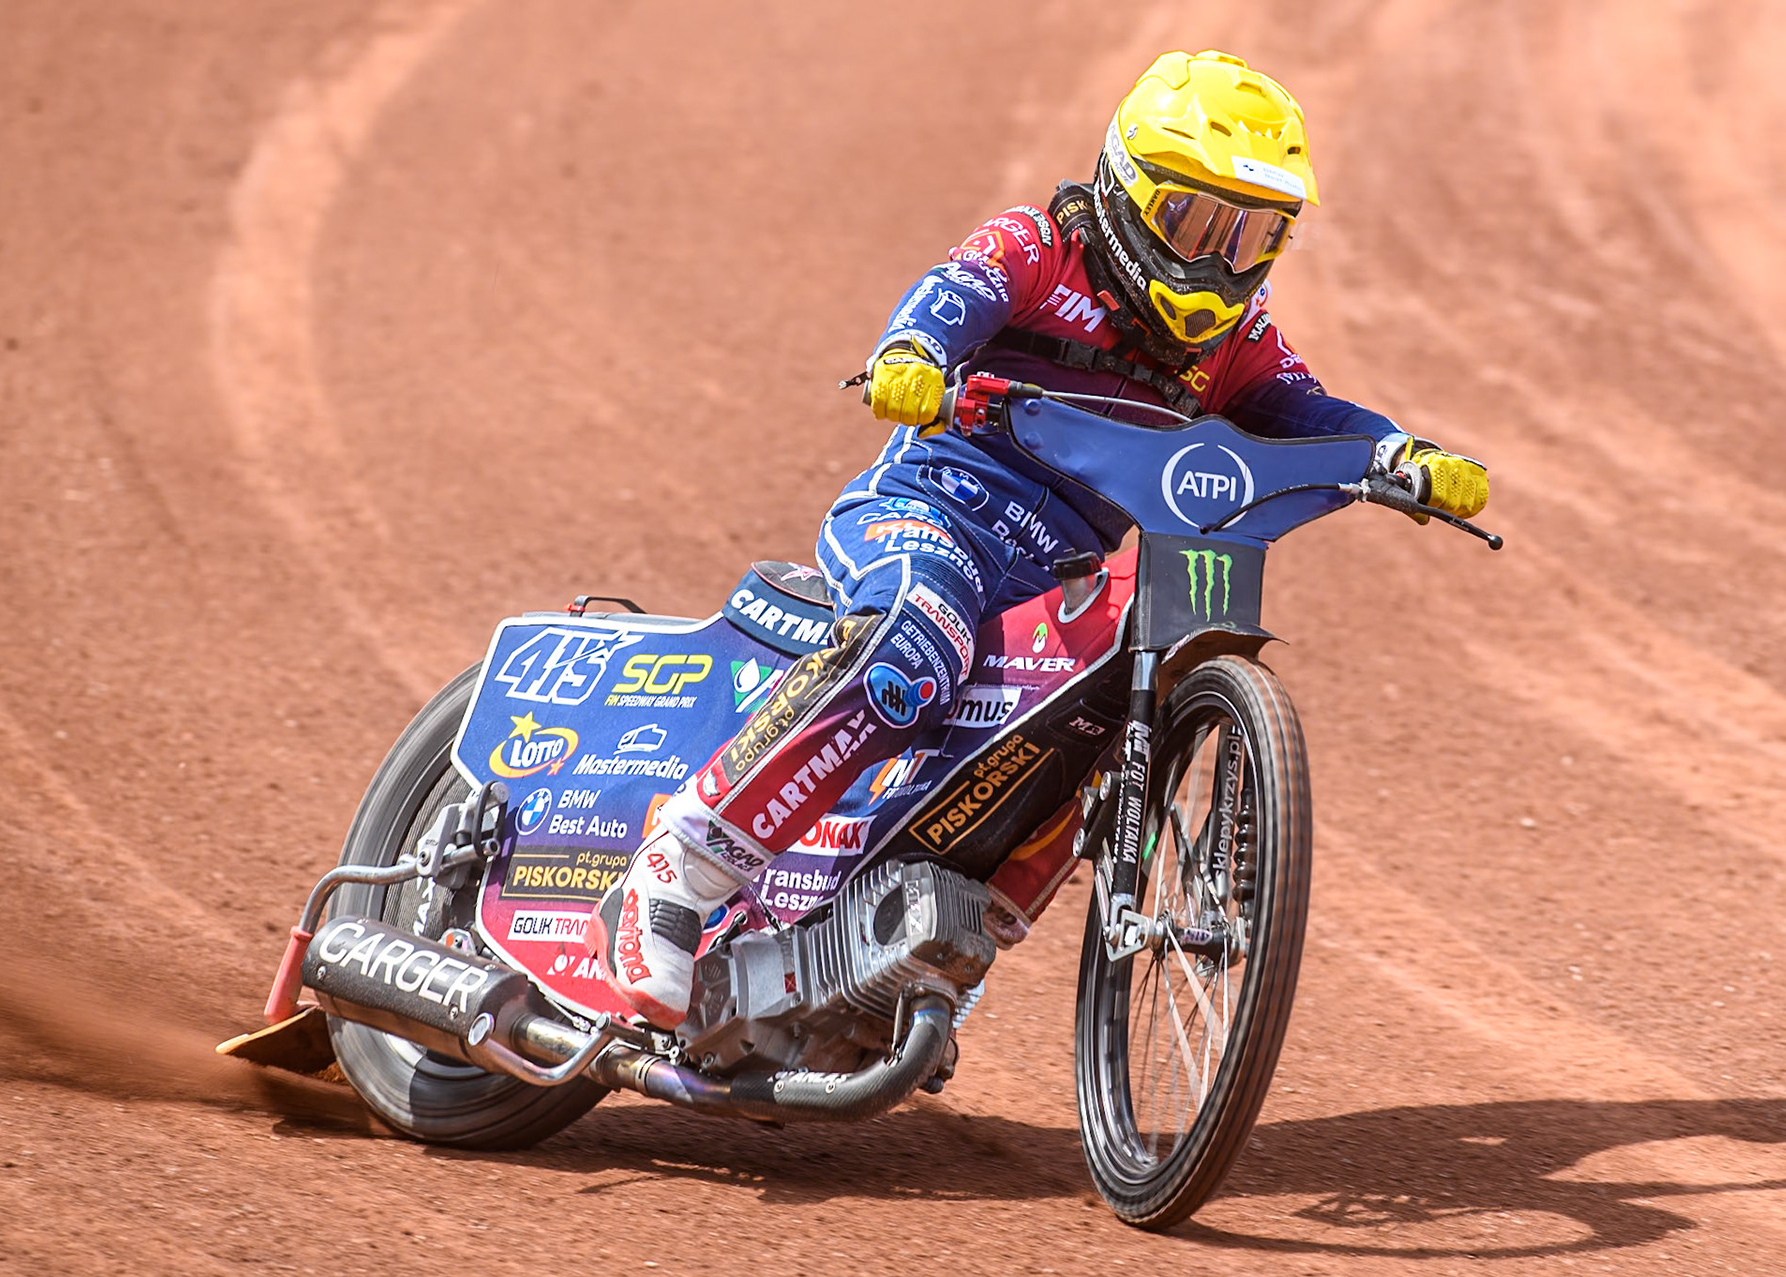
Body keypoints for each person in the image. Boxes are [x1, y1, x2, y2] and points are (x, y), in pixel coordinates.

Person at [591, 49, 1490, 1028]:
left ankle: (879, 957)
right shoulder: (1039, 245)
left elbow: (1304, 407)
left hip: (1047, 578)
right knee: (915, 646)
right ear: (1129, 195)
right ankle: (675, 870)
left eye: (1253, 237)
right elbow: (953, 292)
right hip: (929, 514)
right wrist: (912, 353)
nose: (1218, 262)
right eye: (1196, 222)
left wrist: (1399, 454)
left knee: (1096, 726)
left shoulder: (1235, 342)